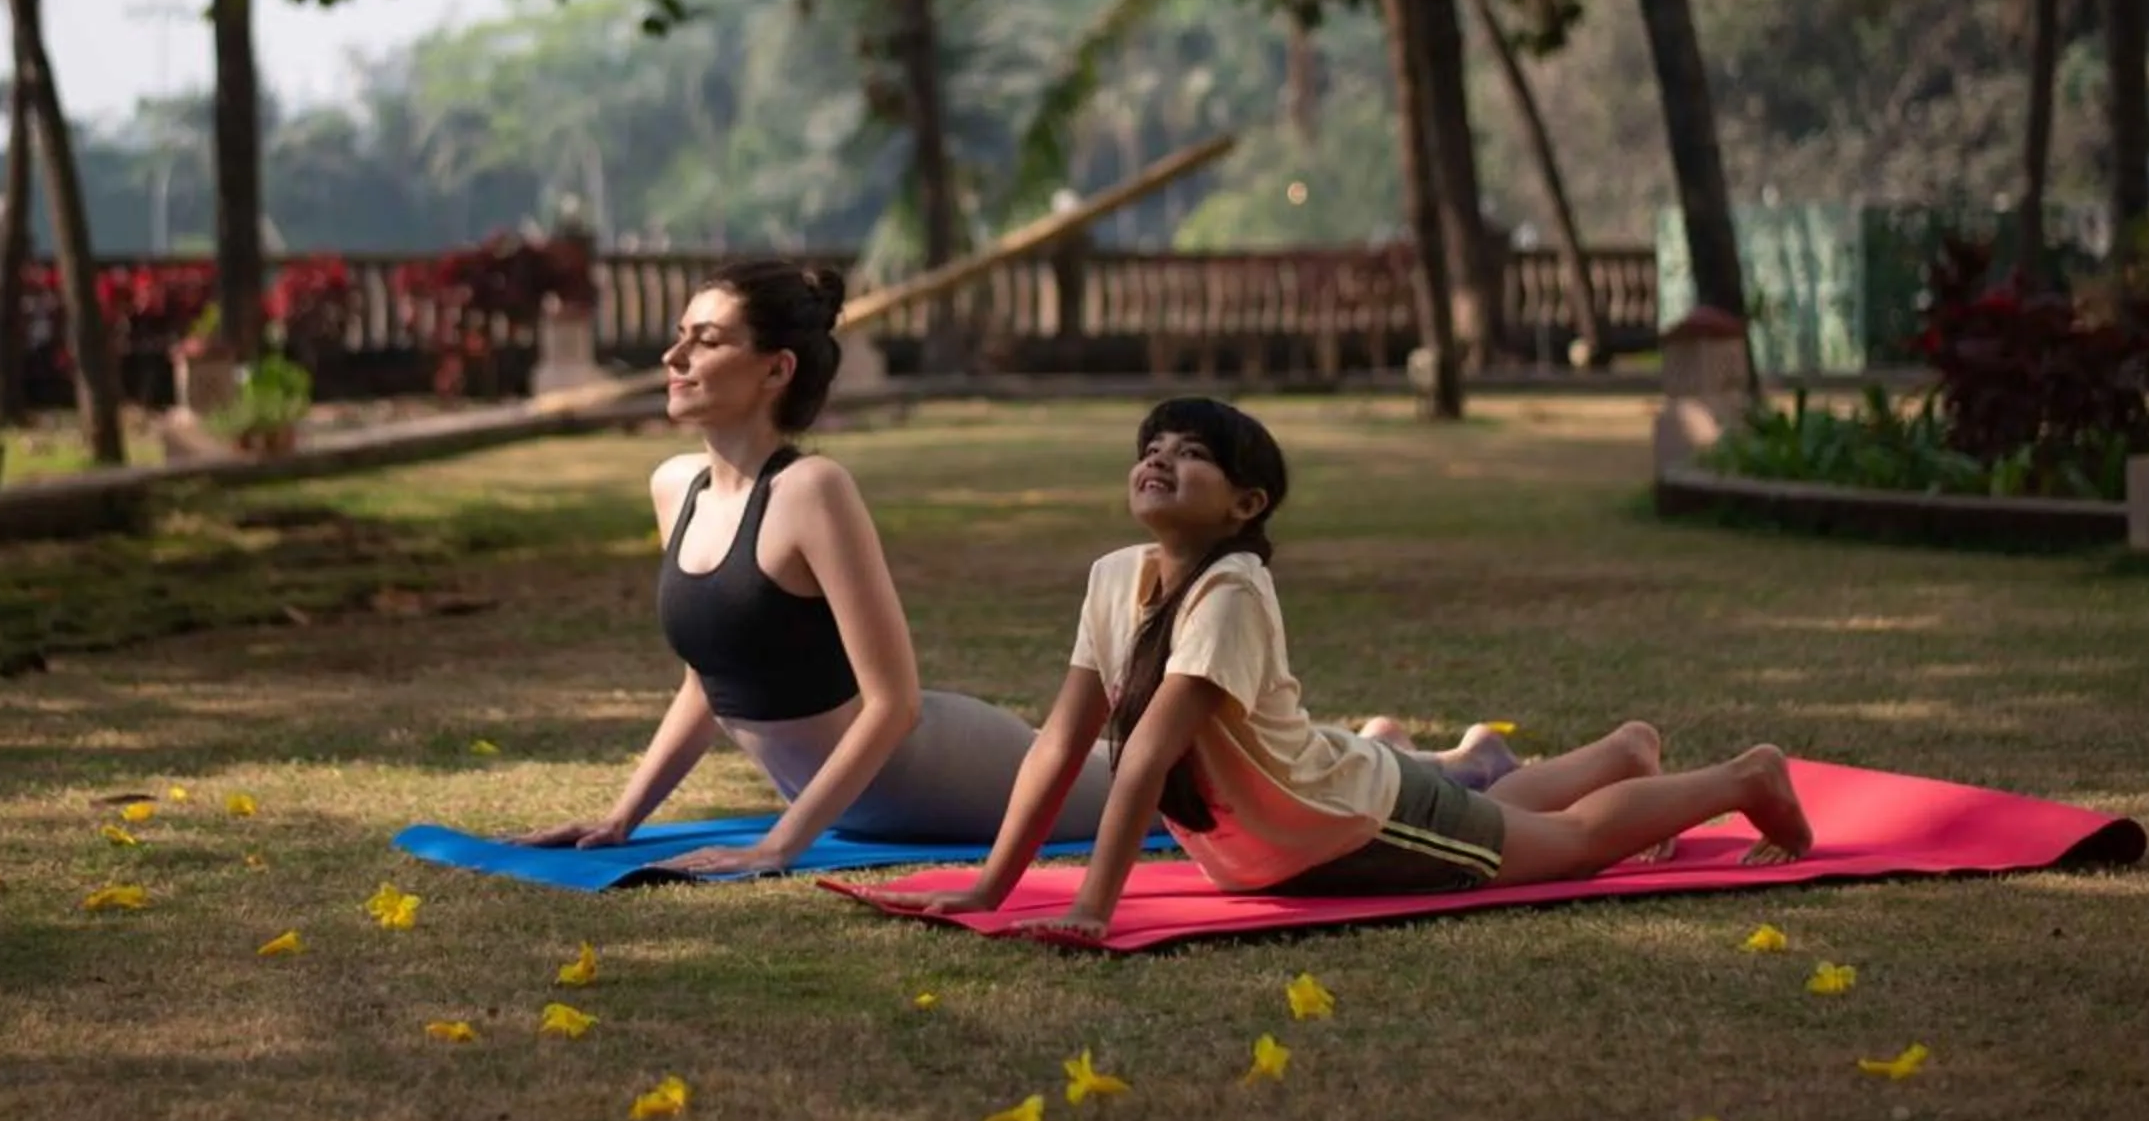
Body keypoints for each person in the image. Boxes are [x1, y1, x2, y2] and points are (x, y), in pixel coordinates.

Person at [513, 262, 1520, 877]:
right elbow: (712, 678)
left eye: (706, 338)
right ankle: (1383, 738)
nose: (674, 355)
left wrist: (782, 842)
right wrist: (621, 816)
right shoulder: (674, 485)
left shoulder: (814, 491)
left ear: (776, 369)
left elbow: (894, 702)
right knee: (1188, 767)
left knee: (1179, 780)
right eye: (680, 336)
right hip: (853, 796)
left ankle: (1448, 767)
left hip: (937, 771)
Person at [842, 396, 1813, 941]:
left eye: (1190, 455)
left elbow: (1140, 758)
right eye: (1150, 449)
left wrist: (1096, 907)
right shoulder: (1114, 577)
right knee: (1505, 812)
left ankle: (1742, 778)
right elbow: (1060, 742)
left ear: (1245, 501)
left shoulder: (1229, 591)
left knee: (1559, 845)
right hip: (1325, 798)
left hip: (1351, 825)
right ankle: (1624, 746)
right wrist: (989, 885)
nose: (1158, 460)